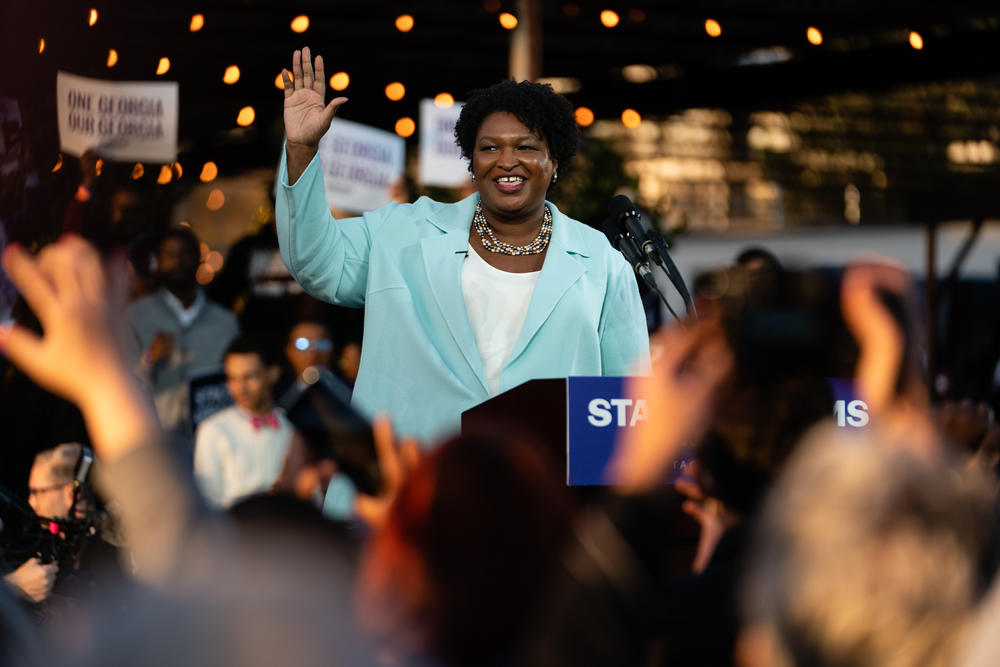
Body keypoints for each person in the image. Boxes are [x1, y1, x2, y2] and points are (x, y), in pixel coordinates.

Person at [276, 47, 650, 444]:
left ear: (554, 161)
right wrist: (301, 149)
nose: (507, 161)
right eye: (489, 148)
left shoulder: (601, 263)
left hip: (543, 490)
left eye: (526, 147)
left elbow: (629, 401)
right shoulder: (401, 231)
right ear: (471, 162)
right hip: (417, 481)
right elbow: (316, 262)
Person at [127, 227, 240, 445]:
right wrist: (149, 359)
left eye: (186, 254)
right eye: (170, 255)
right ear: (158, 262)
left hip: (214, 441)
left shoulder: (225, 322)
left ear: (199, 259)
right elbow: (119, 382)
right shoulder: (136, 317)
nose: (178, 261)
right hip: (154, 441)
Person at [194, 336, 293, 508]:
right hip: (236, 530)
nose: (240, 388)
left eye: (250, 377)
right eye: (233, 378)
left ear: (273, 373)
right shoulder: (214, 429)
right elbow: (206, 502)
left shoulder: (293, 426)